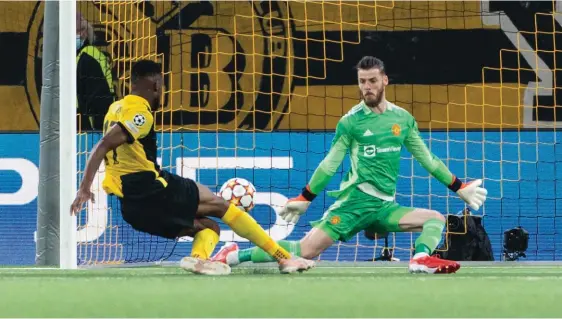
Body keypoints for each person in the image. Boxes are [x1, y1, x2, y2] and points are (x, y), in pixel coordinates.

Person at [210, 56, 488, 274]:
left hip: (384, 206)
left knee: (435, 219)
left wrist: (459, 186)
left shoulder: (403, 120)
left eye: (372, 81)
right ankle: (234, 253)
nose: (367, 87)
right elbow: (330, 164)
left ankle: (419, 259)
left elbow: (427, 159)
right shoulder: (351, 122)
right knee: (305, 251)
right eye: (362, 81)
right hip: (355, 203)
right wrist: (305, 197)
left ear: (385, 81)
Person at [70, 59, 314, 275]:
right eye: (162, 88)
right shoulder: (140, 113)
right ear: (155, 86)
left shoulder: (114, 108)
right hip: (148, 190)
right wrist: (84, 187)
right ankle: (284, 258)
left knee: (208, 226)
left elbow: (105, 144)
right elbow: (103, 144)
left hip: (132, 209)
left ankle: (197, 259)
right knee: (220, 205)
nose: (161, 93)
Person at [76, 12, 115, 131]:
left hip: (89, 133)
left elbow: (100, 100)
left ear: (83, 33)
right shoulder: (76, 57)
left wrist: (93, 131)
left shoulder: (89, 57)